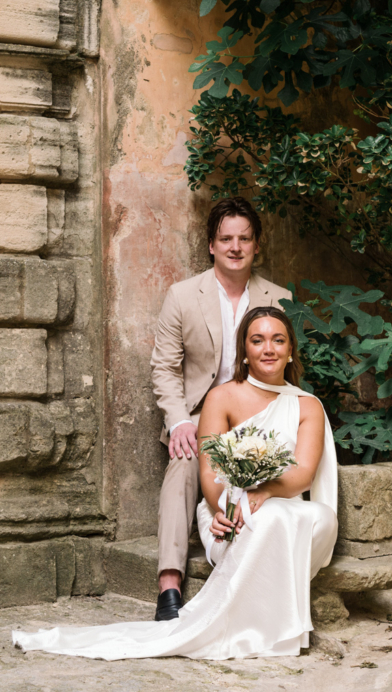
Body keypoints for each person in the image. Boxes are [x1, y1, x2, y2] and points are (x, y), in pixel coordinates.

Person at [12, 306, 339, 659]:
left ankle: (267, 625)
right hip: (228, 511)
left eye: (278, 340)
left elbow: (303, 473)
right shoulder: (222, 397)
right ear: (244, 351)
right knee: (268, 519)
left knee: (311, 517)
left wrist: (269, 490)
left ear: (291, 350)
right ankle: (265, 631)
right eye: (257, 340)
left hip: (286, 504)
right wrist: (224, 510)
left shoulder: (308, 406)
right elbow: (210, 473)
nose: (268, 349)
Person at [147, 197, 292, 621]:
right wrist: (176, 422)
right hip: (197, 416)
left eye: (244, 239)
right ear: (211, 245)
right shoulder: (181, 295)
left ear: (256, 245)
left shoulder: (279, 297)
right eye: (225, 239)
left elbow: (288, 365)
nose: (235, 247)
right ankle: (169, 586)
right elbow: (164, 367)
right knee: (183, 459)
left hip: (258, 415)